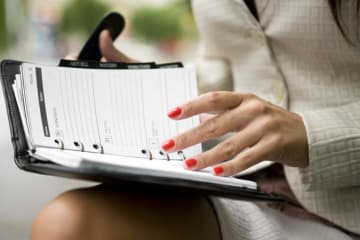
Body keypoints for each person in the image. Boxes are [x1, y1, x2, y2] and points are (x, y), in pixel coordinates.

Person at [31, 1, 360, 239]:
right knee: (67, 224)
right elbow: (228, 61)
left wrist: (308, 134)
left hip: (348, 208)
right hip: (250, 186)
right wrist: (156, 83)